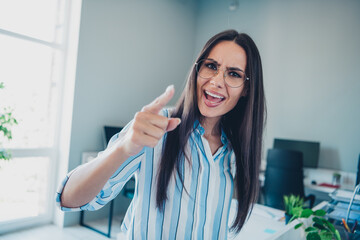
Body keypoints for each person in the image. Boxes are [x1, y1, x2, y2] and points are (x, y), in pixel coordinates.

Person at [56, 29, 266, 239]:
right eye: (211, 66)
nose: (217, 81)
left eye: (234, 74)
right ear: (197, 70)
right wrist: (122, 148)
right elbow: (68, 199)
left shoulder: (234, 151)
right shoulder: (157, 127)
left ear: (246, 89)